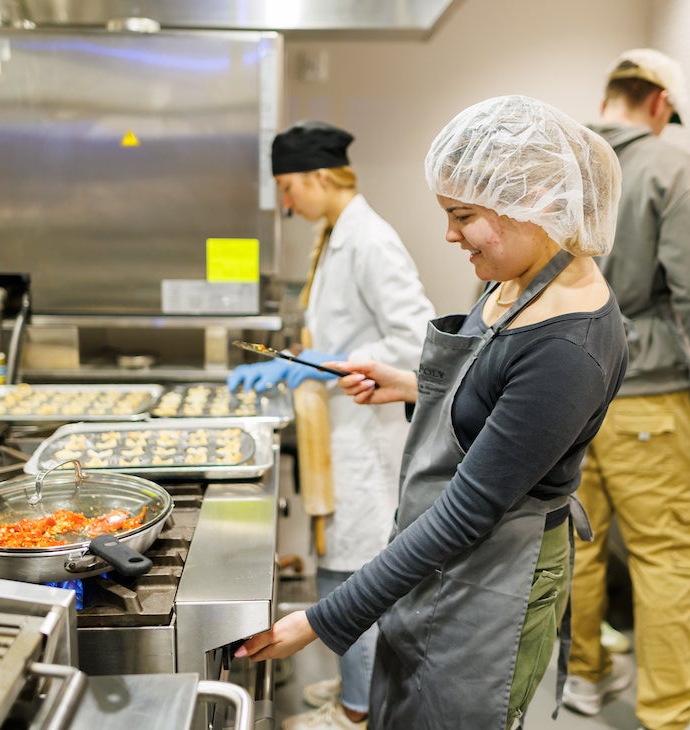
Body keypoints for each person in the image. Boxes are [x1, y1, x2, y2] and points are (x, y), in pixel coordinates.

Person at [235, 95, 628, 730]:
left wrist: (322, 620)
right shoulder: (519, 280)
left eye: (463, 215)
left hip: (493, 571)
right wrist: (412, 383)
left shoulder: (568, 346)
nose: (449, 235)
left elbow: (469, 511)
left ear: (529, 201)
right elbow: (497, 399)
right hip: (446, 555)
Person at [228, 120, 435, 730]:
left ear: (322, 175)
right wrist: (306, 363)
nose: (286, 203)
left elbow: (416, 339)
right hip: (338, 435)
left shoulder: (369, 239)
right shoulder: (336, 233)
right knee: (335, 563)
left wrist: (317, 366)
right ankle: (354, 685)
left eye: (289, 187)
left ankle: (355, 713)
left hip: (366, 442)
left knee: (354, 570)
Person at [563, 49, 690, 730]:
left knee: (576, 543)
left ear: (613, 93)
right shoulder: (670, 168)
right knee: (665, 552)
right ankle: (667, 714)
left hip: (563, 393)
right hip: (644, 393)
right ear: (661, 104)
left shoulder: (562, 165)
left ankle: (581, 676)